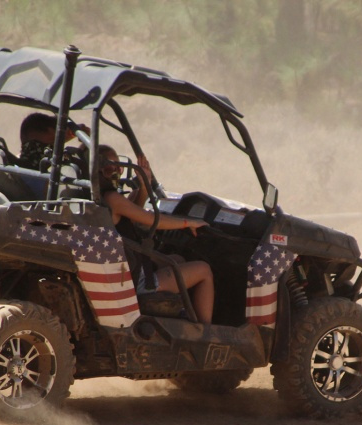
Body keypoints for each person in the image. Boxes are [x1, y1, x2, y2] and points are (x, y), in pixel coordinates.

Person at [97, 144, 215, 324]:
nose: (116, 172)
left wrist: (144, 184)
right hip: (136, 280)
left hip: (127, 267)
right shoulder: (111, 199)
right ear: (97, 170)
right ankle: (205, 331)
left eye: (118, 167)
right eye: (109, 168)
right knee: (204, 270)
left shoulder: (99, 196)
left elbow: (133, 214)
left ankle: (180, 316)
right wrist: (188, 222)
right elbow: (151, 220)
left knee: (178, 259)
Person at [17, 112, 89, 195]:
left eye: (54, 144)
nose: (49, 149)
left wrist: (78, 134)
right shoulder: (25, 175)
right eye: (38, 145)